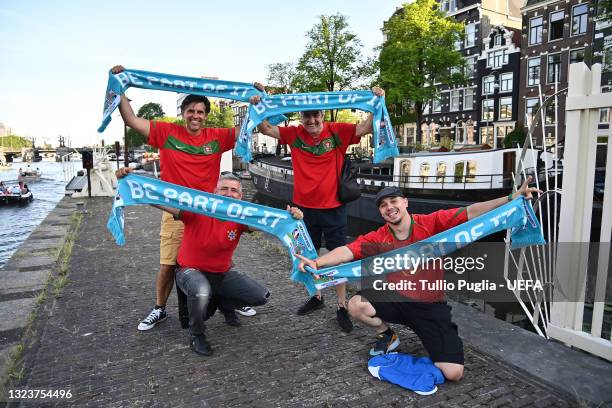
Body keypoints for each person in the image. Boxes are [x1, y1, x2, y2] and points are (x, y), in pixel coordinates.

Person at [297, 177, 541, 381]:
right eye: (383, 205)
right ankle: (387, 335)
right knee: (355, 305)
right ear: (380, 212)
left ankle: (427, 342)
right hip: (395, 296)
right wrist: (317, 263)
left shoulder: (430, 223)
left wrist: (510, 199)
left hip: (429, 304)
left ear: (405, 202)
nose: (389, 207)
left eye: (393, 201)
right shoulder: (379, 236)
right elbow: (348, 251)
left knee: (453, 373)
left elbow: (470, 212)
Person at [112, 65, 263, 331]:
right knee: (168, 264)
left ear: (206, 116)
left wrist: (256, 101)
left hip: (210, 212)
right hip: (175, 210)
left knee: (221, 259)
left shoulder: (216, 137)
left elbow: (246, 128)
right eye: (191, 111)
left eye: (201, 112)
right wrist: (120, 87)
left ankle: (230, 302)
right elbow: (132, 120)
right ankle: (159, 308)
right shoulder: (167, 133)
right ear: (182, 114)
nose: (196, 116)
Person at [249, 87, 385, 333]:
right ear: (301, 117)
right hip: (303, 210)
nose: (311, 120)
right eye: (307, 116)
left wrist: (376, 101)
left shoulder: (337, 132)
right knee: (308, 255)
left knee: (338, 256)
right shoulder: (294, 134)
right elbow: (266, 129)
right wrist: (261, 105)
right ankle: (318, 295)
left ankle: (342, 305)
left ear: (323, 115)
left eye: (316, 115)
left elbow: (365, 128)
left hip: (334, 208)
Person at [142, 173, 303, 355]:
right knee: (201, 290)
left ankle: (224, 304)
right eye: (224, 189)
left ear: (240, 197)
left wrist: (292, 216)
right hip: (189, 271)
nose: (229, 193)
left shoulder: (241, 217)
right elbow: (158, 200)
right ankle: (197, 335)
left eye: (234, 190)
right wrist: (133, 185)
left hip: (221, 273)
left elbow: (272, 224)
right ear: (214, 191)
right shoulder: (198, 208)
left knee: (261, 296)